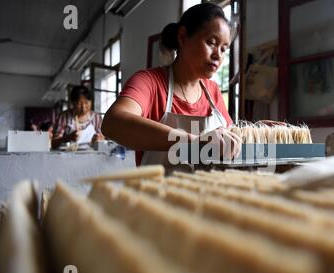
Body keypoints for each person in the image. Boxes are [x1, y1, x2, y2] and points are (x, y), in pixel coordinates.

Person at [101, 3, 241, 168]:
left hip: (205, 191)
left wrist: (261, 133)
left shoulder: (213, 91)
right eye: (211, 43)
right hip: (154, 192)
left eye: (224, 49)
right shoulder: (150, 82)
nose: (218, 55)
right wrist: (191, 142)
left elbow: (232, 138)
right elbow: (113, 124)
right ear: (183, 37)